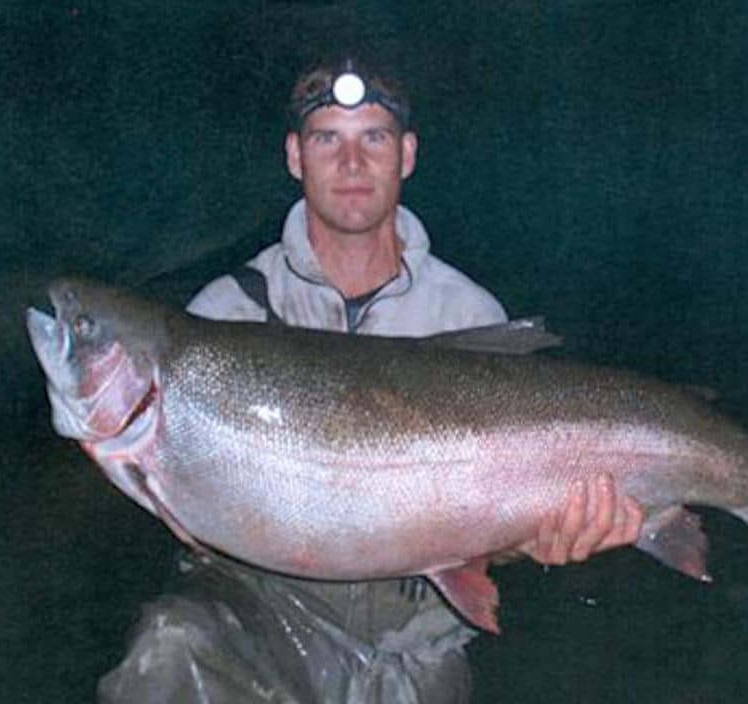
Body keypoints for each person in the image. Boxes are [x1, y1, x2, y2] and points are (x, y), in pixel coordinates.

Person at [98, 56, 643, 704]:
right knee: (167, 650)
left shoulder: (469, 314)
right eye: (328, 138)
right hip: (264, 616)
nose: (351, 163)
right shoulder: (225, 313)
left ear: (406, 155)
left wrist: (542, 538)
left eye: (373, 138)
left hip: (414, 635)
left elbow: (493, 538)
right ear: (296, 156)